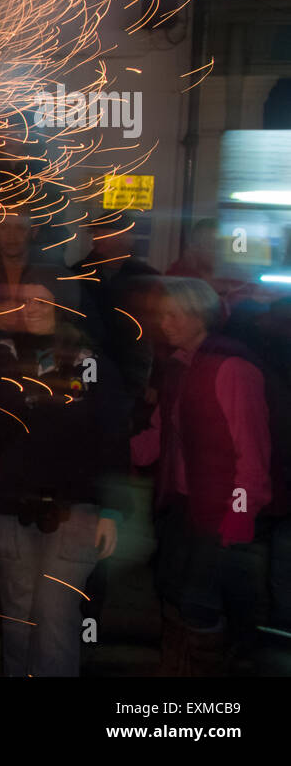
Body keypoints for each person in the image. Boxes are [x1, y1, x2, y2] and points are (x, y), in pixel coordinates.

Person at [0, 270, 131, 676]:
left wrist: (112, 510)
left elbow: (112, 435)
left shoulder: (90, 362)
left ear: (63, 305)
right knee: (17, 617)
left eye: (43, 300)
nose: (32, 309)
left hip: (75, 510)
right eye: (25, 300)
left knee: (54, 614)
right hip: (10, 507)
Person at [132, 277, 272, 674]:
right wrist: (106, 450)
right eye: (161, 315)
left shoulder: (232, 368)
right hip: (182, 506)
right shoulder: (179, 367)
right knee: (174, 594)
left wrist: (240, 516)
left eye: (174, 315)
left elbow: (252, 455)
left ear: (201, 316)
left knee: (199, 603)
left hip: (218, 511)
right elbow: (160, 437)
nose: (165, 323)